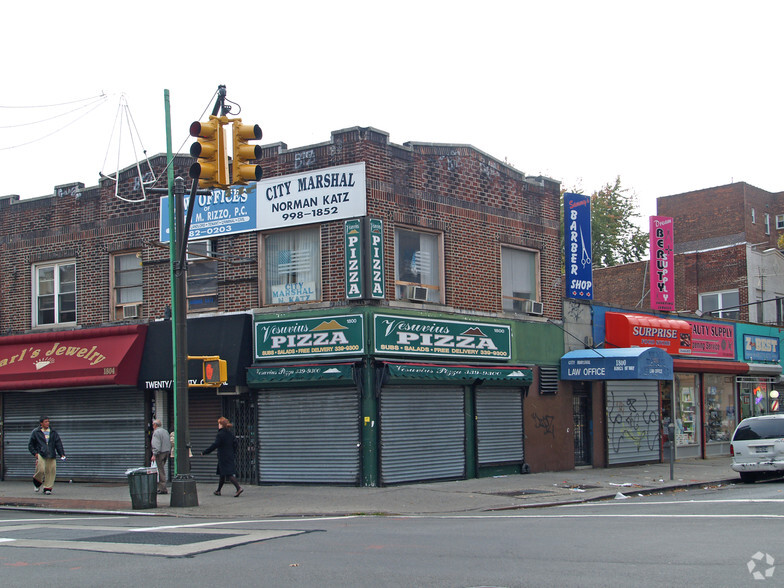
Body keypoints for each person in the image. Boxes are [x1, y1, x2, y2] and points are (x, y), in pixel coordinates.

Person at [201, 417, 243, 497]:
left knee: (228, 473)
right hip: (229, 455)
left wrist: (205, 452)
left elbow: (215, 445)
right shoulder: (230, 434)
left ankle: (238, 488)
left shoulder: (220, 434)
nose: (218, 425)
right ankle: (218, 490)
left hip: (223, 456)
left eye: (219, 424)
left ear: (221, 425)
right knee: (222, 473)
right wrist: (233, 452)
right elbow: (235, 444)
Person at [28, 416, 66, 495]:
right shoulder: (36, 432)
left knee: (51, 471)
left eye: (48, 421)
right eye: (46, 422)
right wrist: (35, 453)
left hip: (51, 454)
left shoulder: (53, 432)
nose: (47, 423)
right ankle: (37, 482)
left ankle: (47, 488)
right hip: (41, 453)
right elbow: (31, 444)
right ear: (41, 423)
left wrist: (61, 453)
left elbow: (58, 443)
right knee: (41, 469)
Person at [151, 419, 172, 495]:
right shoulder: (165, 431)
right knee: (162, 470)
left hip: (160, 453)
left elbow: (156, 444)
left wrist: (154, 454)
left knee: (160, 471)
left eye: (153, 424)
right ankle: (162, 487)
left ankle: (162, 488)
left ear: (155, 425)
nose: (152, 426)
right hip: (166, 452)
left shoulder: (156, 432)